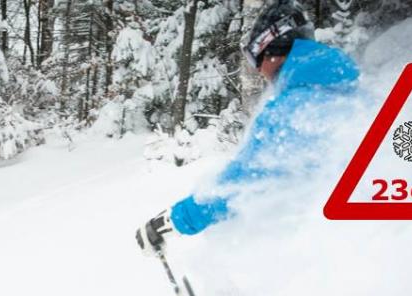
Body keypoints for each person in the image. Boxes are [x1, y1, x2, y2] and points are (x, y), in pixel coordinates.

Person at [136, 0, 360, 256]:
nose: (258, 69)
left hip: (322, 249)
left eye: (256, 57)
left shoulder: (292, 109)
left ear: (273, 48)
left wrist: (172, 221)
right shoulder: (348, 87)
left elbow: (244, 180)